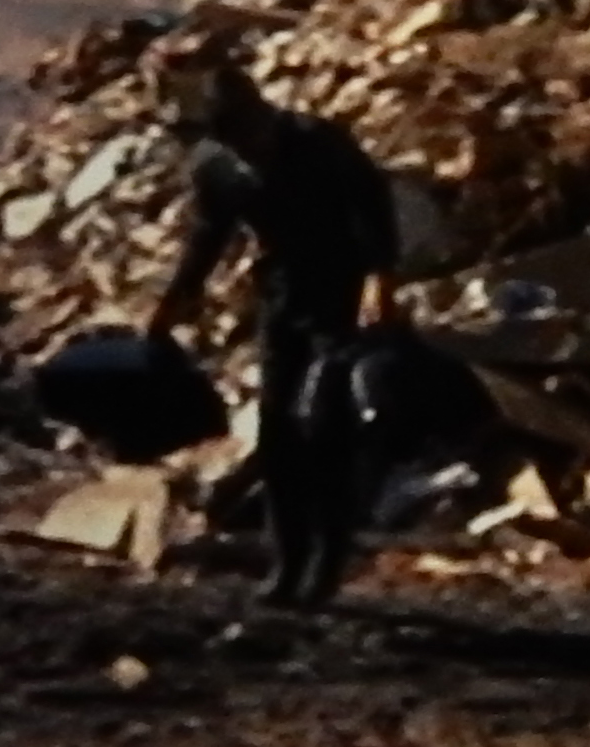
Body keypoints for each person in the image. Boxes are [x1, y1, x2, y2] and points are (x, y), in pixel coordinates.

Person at [145, 48, 399, 608]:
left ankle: (327, 563)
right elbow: (208, 234)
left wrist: (379, 278)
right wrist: (178, 297)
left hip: (339, 292)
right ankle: (287, 563)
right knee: (278, 429)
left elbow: (372, 203)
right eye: (236, 142)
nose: (249, 150)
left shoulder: (319, 141)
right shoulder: (216, 167)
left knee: (323, 425)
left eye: (252, 136)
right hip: (281, 298)